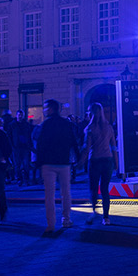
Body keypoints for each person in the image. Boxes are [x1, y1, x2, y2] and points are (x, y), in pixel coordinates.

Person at [32, 99, 80, 234]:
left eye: (45, 108)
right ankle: (66, 219)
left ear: (51, 109)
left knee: (49, 195)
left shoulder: (45, 124)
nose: (44, 110)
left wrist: (39, 163)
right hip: (64, 162)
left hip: (48, 163)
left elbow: (40, 145)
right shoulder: (67, 124)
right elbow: (73, 142)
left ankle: (50, 224)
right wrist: (78, 157)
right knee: (66, 193)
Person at [83, 101, 116, 225]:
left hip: (95, 160)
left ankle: (94, 212)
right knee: (105, 189)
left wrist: (81, 161)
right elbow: (114, 146)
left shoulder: (90, 129)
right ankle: (106, 217)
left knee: (93, 188)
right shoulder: (108, 127)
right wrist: (117, 164)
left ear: (90, 113)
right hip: (108, 160)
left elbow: (87, 148)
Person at [10, 110, 34, 185]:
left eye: (21, 115)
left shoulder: (26, 125)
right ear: (16, 115)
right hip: (16, 147)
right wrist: (12, 146)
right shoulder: (12, 125)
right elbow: (9, 136)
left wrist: (29, 145)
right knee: (17, 165)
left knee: (26, 164)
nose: (20, 116)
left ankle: (26, 179)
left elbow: (30, 135)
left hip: (25, 147)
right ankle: (19, 179)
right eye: (19, 115)